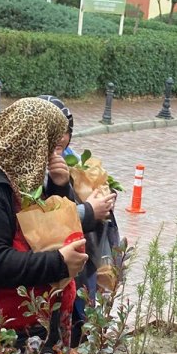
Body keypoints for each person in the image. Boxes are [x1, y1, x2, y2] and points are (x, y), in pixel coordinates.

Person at [0, 97, 88, 350]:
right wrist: (58, 262)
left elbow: (50, 228)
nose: (52, 156)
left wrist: (59, 187)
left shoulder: (18, 177)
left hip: (27, 319)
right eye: (49, 146)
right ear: (31, 142)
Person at [41, 97, 118, 303]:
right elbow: (42, 222)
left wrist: (105, 197)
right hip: (50, 268)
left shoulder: (73, 159)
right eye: (52, 131)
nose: (60, 138)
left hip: (80, 262)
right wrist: (90, 211)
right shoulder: (31, 170)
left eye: (65, 131)